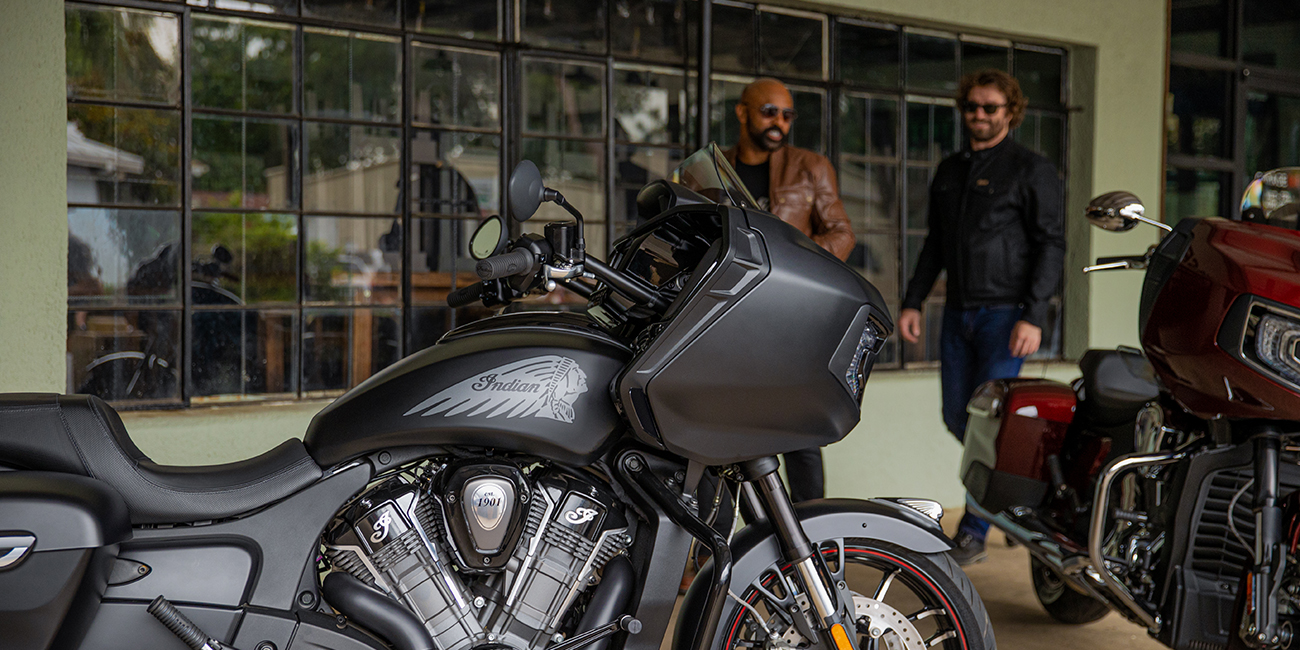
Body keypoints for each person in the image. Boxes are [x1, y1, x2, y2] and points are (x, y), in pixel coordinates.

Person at [898, 69, 1065, 565]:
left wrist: (1033, 315)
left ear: (1011, 112)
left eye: (990, 107)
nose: (979, 115)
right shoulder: (950, 170)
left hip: (1006, 316)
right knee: (958, 416)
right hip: (958, 314)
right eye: (972, 106)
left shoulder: (1031, 170)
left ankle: (974, 530)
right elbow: (935, 243)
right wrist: (912, 300)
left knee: (992, 426)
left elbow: (1051, 245)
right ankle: (1014, 501)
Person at [724, 77, 855, 502]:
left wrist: (792, 267)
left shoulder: (810, 166)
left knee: (800, 431)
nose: (779, 122)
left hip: (788, 315)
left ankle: (809, 528)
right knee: (731, 427)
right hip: (730, 318)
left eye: (787, 114)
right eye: (769, 112)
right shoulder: (715, 170)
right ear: (742, 112)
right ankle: (733, 534)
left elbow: (841, 234)